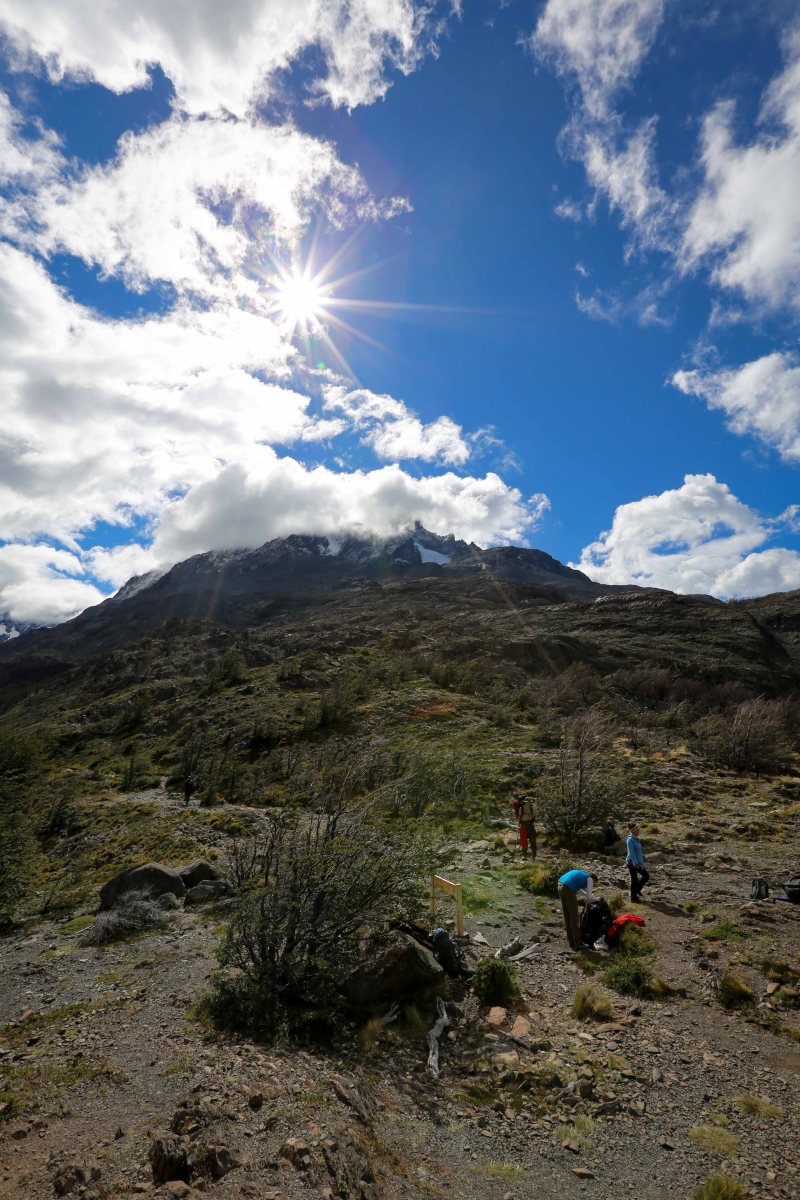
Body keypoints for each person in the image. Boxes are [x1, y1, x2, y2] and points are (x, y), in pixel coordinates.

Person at [557, 868, 598, 950]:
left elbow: (581, 891)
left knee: (567, 914)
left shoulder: (581, 875)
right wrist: (598, 899)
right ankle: (578, 943)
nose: (593, 885)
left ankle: (571, 941)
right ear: (593, 879)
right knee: (574, 916)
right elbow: (590, 897)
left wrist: (589, 895)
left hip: (560, 885)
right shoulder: (589, 879)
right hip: (568, 888)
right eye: (594, 883)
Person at [626, 820, 650, 902]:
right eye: (637, 829)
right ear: (633, 831)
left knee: (646, 876)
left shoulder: (636, 839)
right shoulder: (630, 840)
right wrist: (635, 863)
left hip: (638, 862)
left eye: (638, 828)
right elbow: (632, 853)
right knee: (635, 880)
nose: (639, 830)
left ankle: (636, 891)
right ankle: (633, 898)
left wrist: (642, 856)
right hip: (632, 862)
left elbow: (637, 850)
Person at [512, 794, 537, 859]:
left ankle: (534, 855)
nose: (529, 804)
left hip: (530, 825)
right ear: (526, 802)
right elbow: (519, 817)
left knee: (533, 840)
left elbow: (533, 817)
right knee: (524, 840)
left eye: (529, 803)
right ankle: (524, 854)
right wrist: (518, 824)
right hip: (523, 825)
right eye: (528, 802)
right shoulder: (521, 808)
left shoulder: (531, 809)